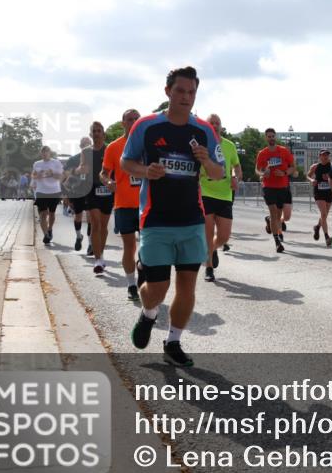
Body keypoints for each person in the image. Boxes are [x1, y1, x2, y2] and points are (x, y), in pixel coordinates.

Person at [122, 66, 224, 368]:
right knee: (156, 290)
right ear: (168, 91)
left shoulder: (204, 130)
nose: (186, 97)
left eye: (191, 92)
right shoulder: (147, 126)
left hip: (192, 220)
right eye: (180, 91)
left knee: (187, 286)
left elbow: (218, 174)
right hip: (156, 219)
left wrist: (207, 160)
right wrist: (145, 171)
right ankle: (149, 313)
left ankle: (173, 341)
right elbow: (128, 163)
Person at [101, 109, 142, 299]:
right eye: (130, 119)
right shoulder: (114, 147)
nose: (133, 122)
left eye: (136, 119)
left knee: (149, 246)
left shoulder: (148, 143)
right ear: (122, 123)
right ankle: (131, 284)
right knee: (129, 246)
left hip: (147, 204)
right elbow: (103, 173)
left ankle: (143, 270)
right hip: (124, 203)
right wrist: (108, 182)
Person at [200, 113, 241, 281]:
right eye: (212, 123)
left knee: (224, 236)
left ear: (221, 126)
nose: (215, 125)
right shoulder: (200, 145)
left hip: (225, 194)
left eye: (217, 123)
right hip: (205, 192)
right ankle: (209, 268)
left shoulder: (229, 145)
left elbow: (236, 167)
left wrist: (235, 177)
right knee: (208, 233)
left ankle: (211, 250)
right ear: (206, 125)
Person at [255, 128, 294, 254]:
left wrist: (283, 172)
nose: (271, 138)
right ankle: (277, 241)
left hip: (282, 186)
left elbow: (292, 168)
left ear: (275, 137)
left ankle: (269, 222)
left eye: (273, 136)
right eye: (269, 136)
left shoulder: (284, 151)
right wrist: (263, 173)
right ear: (266, 138)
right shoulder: (262, 153)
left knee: (278, 215)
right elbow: (257, 170)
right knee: (273, 213)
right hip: (268, 186)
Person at [85, 122, 114, 275]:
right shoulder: (86, 152)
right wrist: (80, 170)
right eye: (93, 131)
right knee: (95, 224)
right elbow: (80, 168)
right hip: (91, 189)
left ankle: (100, 254)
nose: (96, 133)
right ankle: (97, 259)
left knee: (103, 226)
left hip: (107, 189)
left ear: (103, 133)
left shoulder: (110, 149)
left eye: (99, 131)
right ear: (90, 134)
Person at [64, 136, 93, 252]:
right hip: (77, 190)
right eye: (84, 144)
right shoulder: (73, 159)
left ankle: (91, 243)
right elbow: (66, 174)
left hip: (91, 190)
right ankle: (78, 236)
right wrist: (66, 193)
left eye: (88, 143)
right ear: (80, 146)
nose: (86, 145)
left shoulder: (95, 157)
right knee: (78, 216)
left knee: (91, 216)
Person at [31, 147, 64, 243]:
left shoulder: (56, 163)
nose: (45, 154)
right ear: (41, 154)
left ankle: (50, 229)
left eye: (46, 152)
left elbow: (60, 176)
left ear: (50, 153)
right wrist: (38, 176)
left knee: (52, 214)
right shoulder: (37, 164)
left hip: (54, 191)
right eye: (43, 152)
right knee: (42, 214)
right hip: (41, 191)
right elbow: (33, 175)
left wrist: (52, 173)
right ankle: (46, 235)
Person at [308, 149, 332, 247]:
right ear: (319, 156)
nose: (325, 157)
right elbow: (308, 175)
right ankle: (327, 237)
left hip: (329, 192)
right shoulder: (315, 166)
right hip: (319, 192)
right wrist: (311, 180)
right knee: (323, 214)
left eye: (327, 155)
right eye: (323, 155)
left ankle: (317, 227)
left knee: (325, 215)